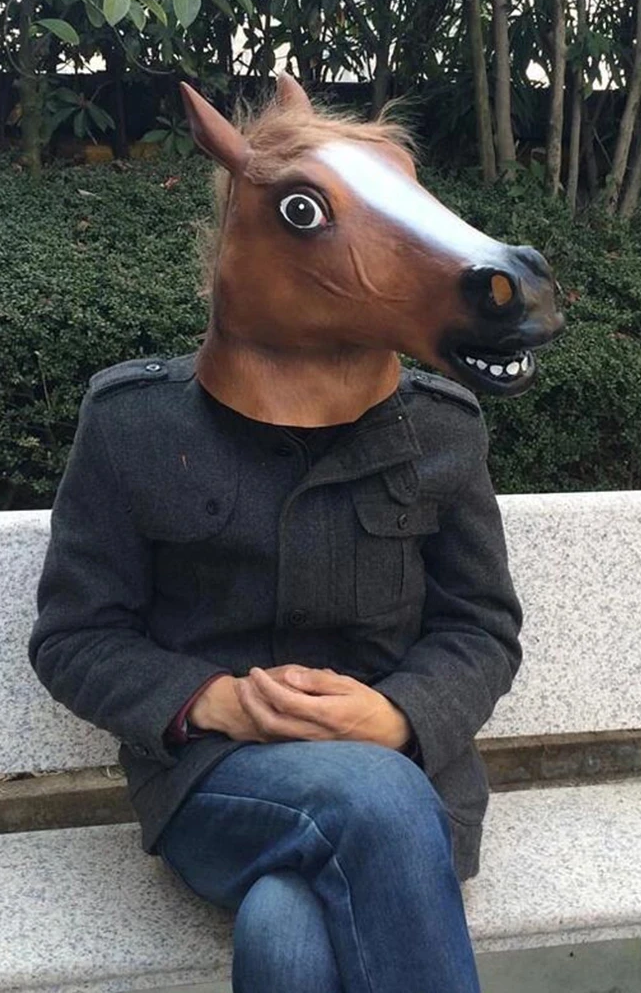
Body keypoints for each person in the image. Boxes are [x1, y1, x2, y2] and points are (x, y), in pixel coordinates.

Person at [30, 75, 560, 993]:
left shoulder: (440, 429)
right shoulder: (134, 426)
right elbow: (76, 637)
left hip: (409, 774)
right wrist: (214, 702)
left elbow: (480, 628)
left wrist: (395, 717)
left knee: (286, 932)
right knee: (371, 802)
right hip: (217, 781)